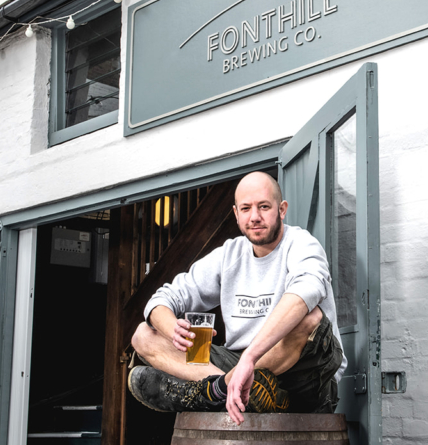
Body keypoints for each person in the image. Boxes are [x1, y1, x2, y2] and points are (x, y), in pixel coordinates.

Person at [128, 171, 346, 424]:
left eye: (264, 207)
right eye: (246, 208)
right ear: (236, 214)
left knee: (310, 318)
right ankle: (229, 390)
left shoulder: (302, 244)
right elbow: (164, 298)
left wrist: (250, 359)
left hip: (304, 374)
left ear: (282, 209)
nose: (255, 216)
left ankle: (214, 390)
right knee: (143, 334)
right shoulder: (229, 254)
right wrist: (172, 328)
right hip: (241, 363)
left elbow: (305, 292)